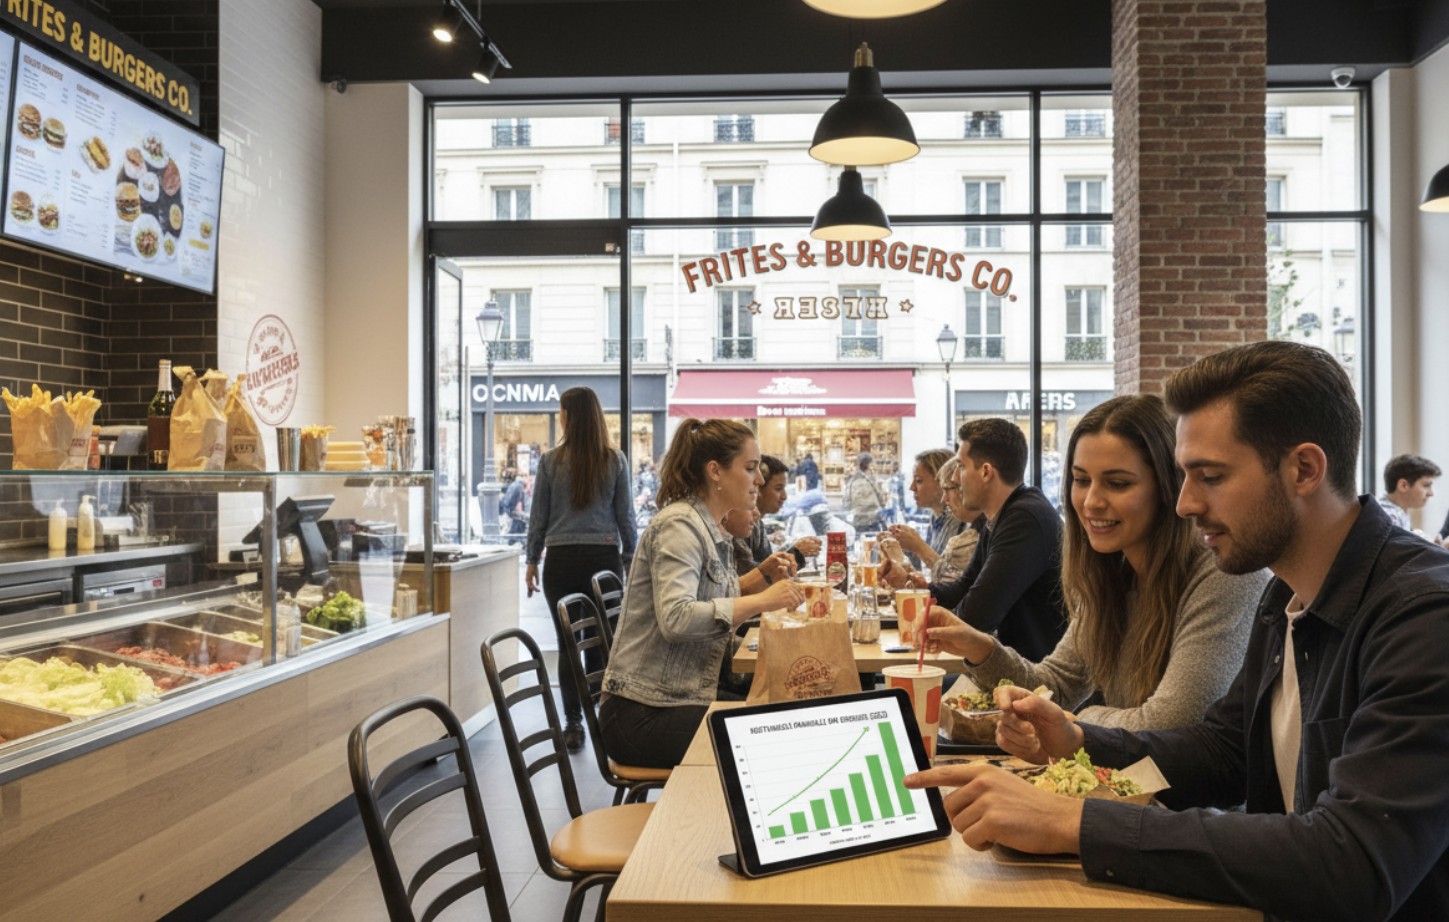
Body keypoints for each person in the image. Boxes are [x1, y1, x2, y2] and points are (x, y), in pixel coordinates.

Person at [905, 341, 1449, 922]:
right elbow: (1223, 751)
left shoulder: (1423, 616)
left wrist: (1074, 822)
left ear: (1305, 470)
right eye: (1185, 476)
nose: (1184, 504)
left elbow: (1353, 864)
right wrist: (1078, 739)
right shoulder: (1286, 596)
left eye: (1210, 476)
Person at [926, 395, 1269, 729]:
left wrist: (1075, 722)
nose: (1091, 502)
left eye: (1117, 484)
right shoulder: (1111, 572)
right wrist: (980, 648)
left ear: (1168, 488)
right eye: (1081, 480)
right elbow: (1055, 686)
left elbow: (1171, 723)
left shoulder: (1224, 575)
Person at [600, 419, 805, 768]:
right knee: (778, 737)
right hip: (641, 715)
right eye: (750, 468)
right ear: (715, 471)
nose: (759, 480)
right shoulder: (679, 526)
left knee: (791, 707)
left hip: (677, 698)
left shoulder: (712, 532)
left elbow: (717, 610)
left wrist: (777, 637)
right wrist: (764, 600)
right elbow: (677, 619)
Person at [882, 418, 1067, 662]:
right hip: (1016, 668)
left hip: (1036, 675)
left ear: (986, 472)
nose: (955, 478)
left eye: (960, 467)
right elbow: (962, 588)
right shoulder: (1004, 514)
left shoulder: (1024, 519)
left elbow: (976, 617)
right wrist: (916, 588)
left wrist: (930, 620)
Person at [525, 387, 636, 752]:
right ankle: (604, 720)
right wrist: (631, 559)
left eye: (561, 411)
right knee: (602, 644)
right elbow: (626, 517)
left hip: (561, 562)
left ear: (568, 416)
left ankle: (573, 724)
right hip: (603, 561)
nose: (560, 417)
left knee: (568, 644)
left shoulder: (550, 461)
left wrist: (531, 559)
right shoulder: (614, 459)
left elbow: (538, 517)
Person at [886, 448, 962, 570]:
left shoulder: (959, 520)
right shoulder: (936, 517)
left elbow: (952, 576)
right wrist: (904, 547)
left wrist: (918, 546)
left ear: (942, 481)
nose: (912, 487)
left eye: (918, 481)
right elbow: (928, 571)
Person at [750, 454, 822, 568]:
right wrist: (797, 554)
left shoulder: (757, 524)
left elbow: (764, 567)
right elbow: (758, 575)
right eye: (778, 488)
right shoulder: (742, 526)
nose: (784, 496)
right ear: (757, 488)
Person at [1376, 452, 1440, 531]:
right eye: (1426, 485)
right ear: (1403, 485)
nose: (1431, 493)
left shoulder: (1397, 510)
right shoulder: (1390, 519)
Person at [843, 451, 888, 533]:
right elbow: (882, 502)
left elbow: (846, 503)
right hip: (871, 521)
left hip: (857, 521)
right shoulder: (871, 480)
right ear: (869, 465)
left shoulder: (851, 481)